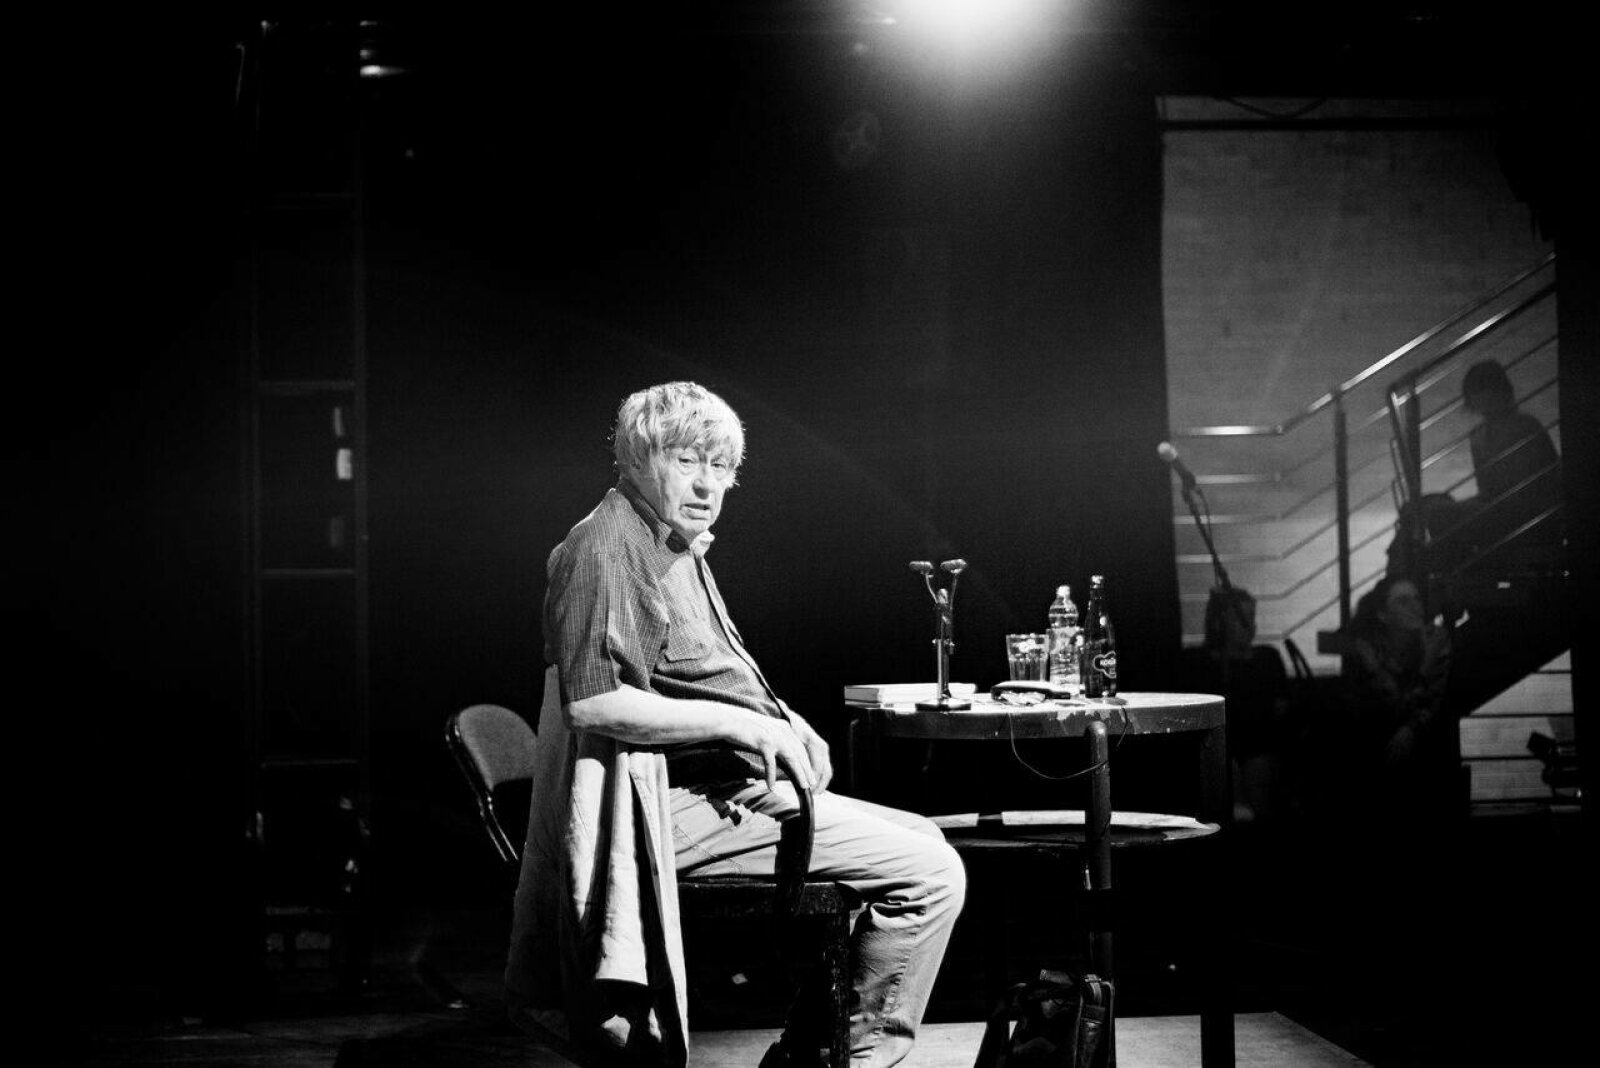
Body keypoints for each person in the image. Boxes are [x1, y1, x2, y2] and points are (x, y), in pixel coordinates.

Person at [505, 381, 966, 1068]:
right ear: (637, 459)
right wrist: (749, 729)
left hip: (720, 786)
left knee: (922, 836)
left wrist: (784, 721)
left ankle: (810, 1053)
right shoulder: (606, 548)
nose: (707, 485)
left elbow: (703, 671)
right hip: (664, 809)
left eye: (719, 467)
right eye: (687, 460)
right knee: (931, 873)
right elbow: (593, 704)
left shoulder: (672, 545)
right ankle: (847, 1061)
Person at [1339, 574, 1457, 832]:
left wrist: (1411, 728)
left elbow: (1433, 701)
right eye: (1403, 601)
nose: (1415, 606)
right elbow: (1390, 705)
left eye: (1417, 599)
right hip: (1373, 740)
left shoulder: (1436, 637)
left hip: (1422, 745)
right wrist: (1425, 664)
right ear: (1383, 615)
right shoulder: (1368, 648)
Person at [1178, 585, 1294, 826]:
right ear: (1219, 622)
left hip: (1259, 745)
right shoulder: (1198, 663)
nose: (1249, 625)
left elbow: (1280, 711)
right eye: (1241, 617)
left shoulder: (1267, 658)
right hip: (1220, 746)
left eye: (1252, 616)